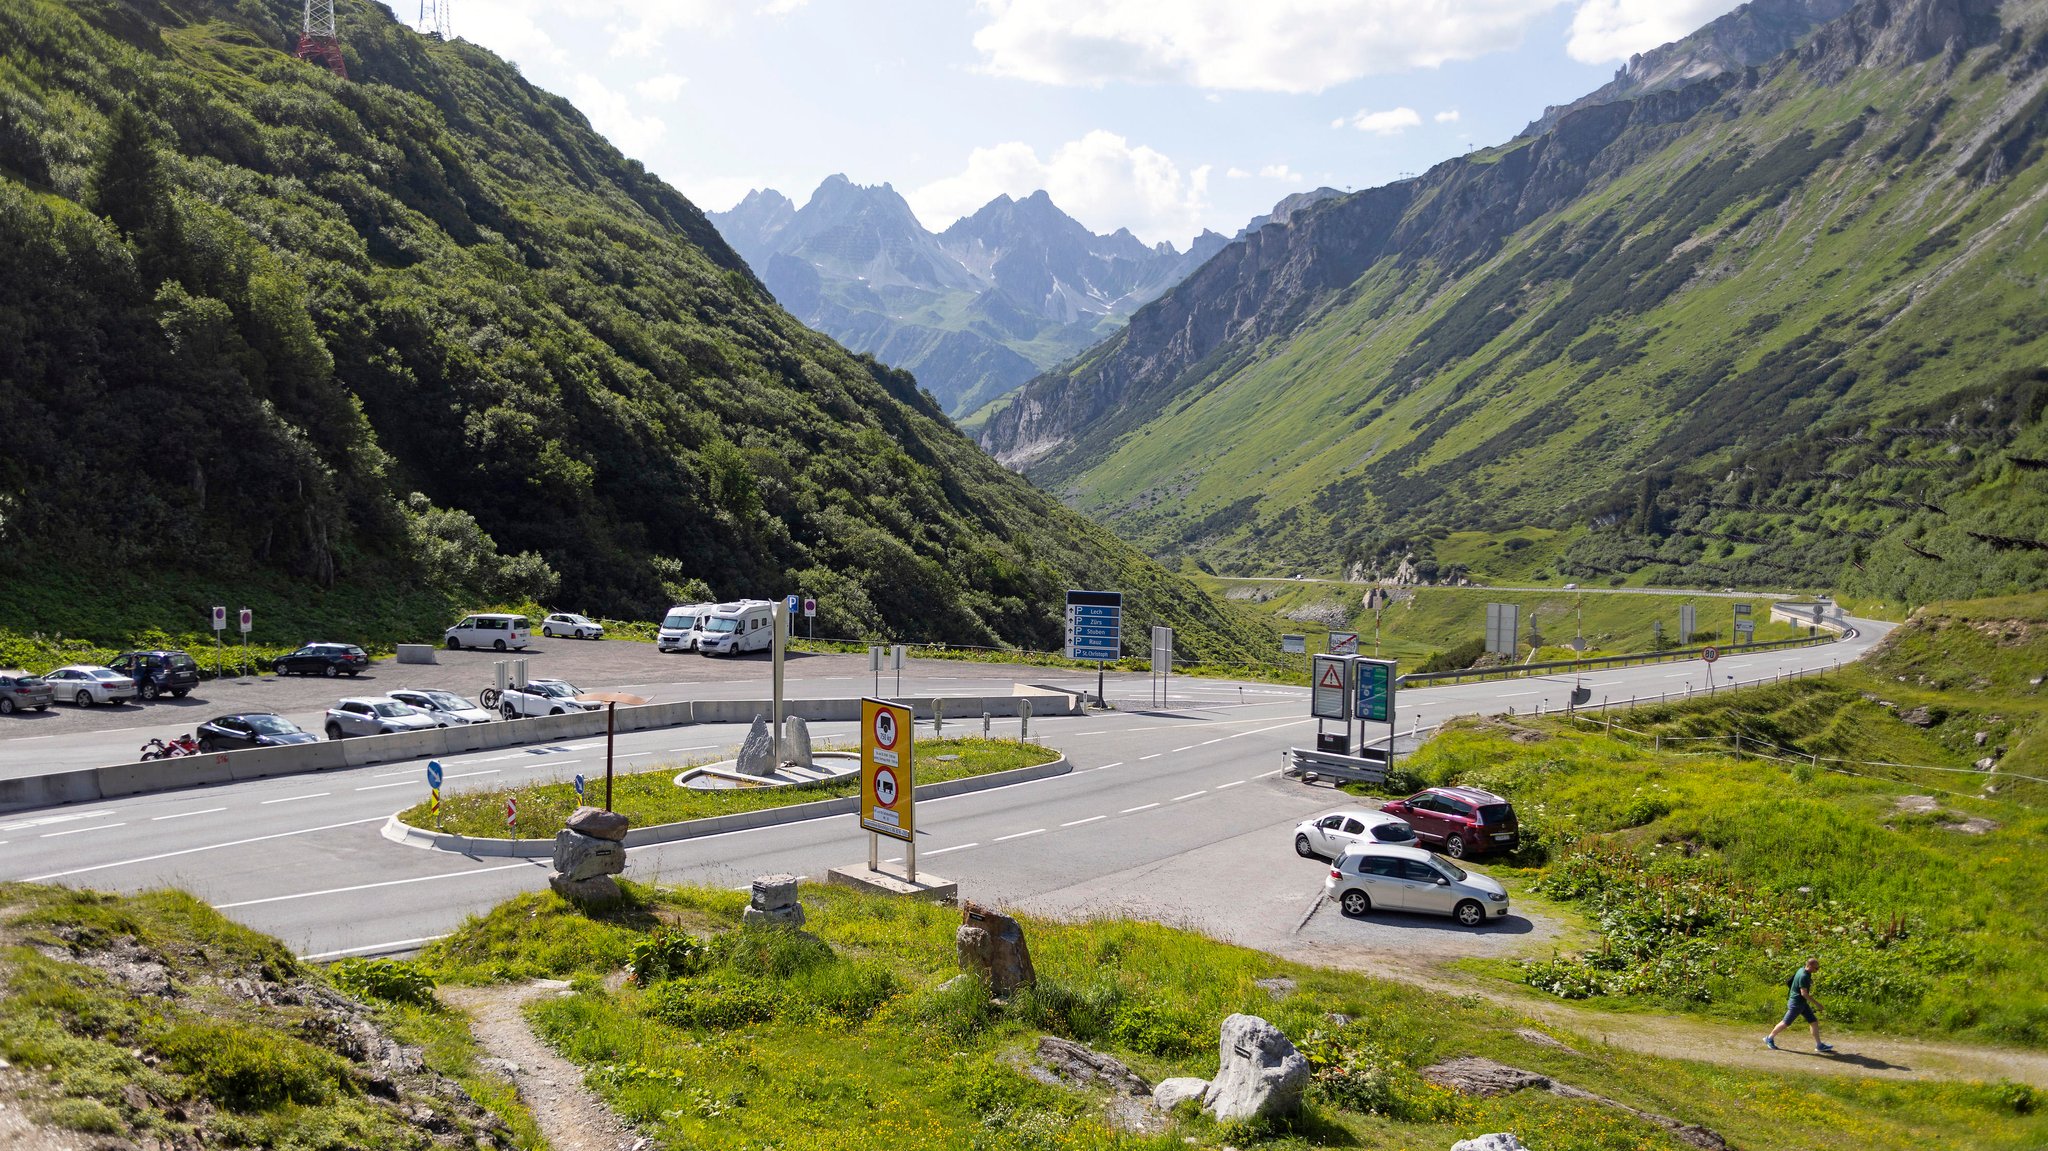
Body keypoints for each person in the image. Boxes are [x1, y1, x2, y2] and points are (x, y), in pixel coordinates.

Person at [1765, 957, 1834, 1052]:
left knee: (1813, 1021)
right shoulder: (1804, 976)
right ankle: (1769, 1038)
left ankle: (1819, 1045)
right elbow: (1804, 993)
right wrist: (1817, 1004)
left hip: (1801, 1003)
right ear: (1809, 966)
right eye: (1816, 968)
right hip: (1796, 1003)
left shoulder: (1802, 970)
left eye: (1818, 968)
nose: (1817, 970)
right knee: (1785, 1023)